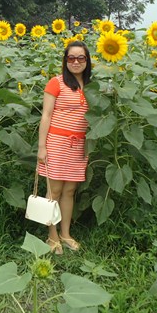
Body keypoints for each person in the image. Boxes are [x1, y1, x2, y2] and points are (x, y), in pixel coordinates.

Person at [37, 41, 92, 255]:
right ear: (65, 60)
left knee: (70, 191)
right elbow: (46, 115)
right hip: (57, 143)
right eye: (71, 58)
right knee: (54, 191)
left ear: (87, 61)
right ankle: (51, 236)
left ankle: (65, 234)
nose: (76, 62)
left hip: (79, 146)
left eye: (81, 58)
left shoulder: (92, 87)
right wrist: (42, 147)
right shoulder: (56, 83)